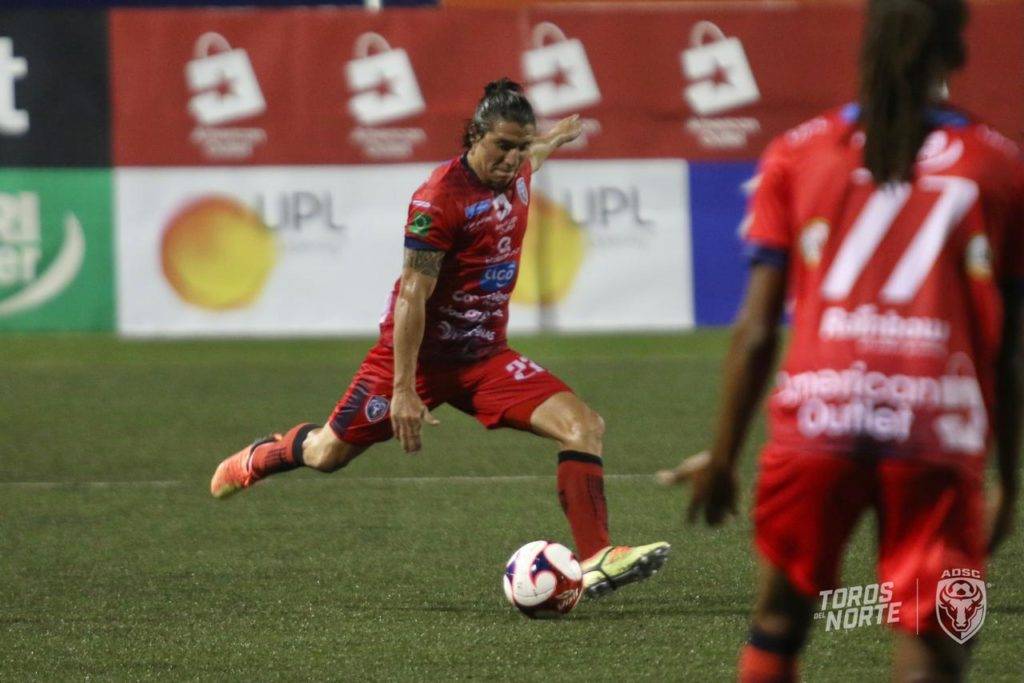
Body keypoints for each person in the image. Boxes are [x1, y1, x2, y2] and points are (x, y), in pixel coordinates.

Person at [659, 1, 1022, 680]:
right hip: (935, 432)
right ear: (958, 49)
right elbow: (1009, 349)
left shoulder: (798, 150)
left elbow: (758, 328)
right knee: (938, 643)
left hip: (819, 420)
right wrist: (1007, 477)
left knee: (778, 619)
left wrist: (724, 457)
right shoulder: (1000, 164)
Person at [211, 78, 669, 598]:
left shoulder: (519, 166)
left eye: (521, 147)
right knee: (326, 455)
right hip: (415, 361)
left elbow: (532, 153)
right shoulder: (438, 200)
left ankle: (596, 557)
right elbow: (412, 296)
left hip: (485, 358)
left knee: (584, 426)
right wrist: (404, 389)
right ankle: (261, 457)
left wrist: (552, 139)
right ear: (475, 134)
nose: (512, 158)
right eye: (502, 145)